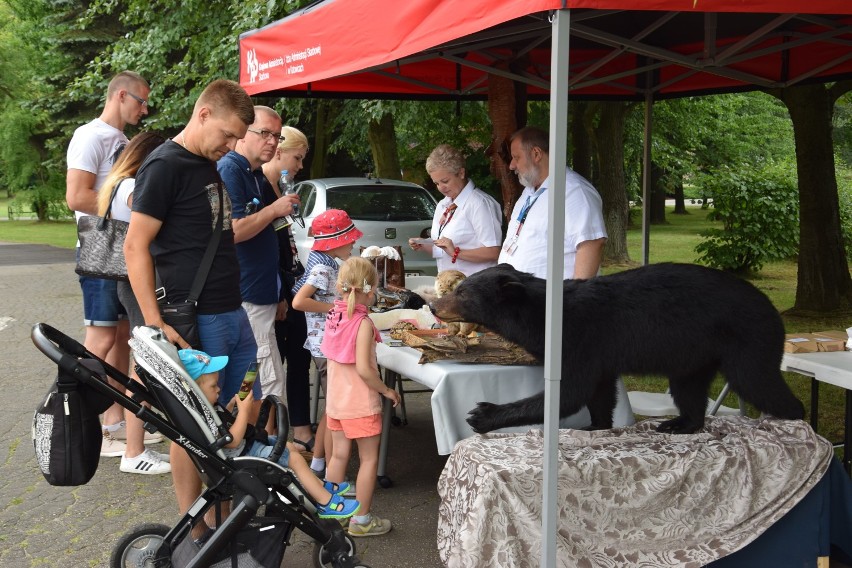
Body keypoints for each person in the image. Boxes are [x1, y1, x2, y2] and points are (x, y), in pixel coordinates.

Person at [124, 80, 293, 536]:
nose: (233, 145)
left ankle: (227, 509)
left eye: (240, 137)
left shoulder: (207, 164)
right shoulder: (164, 166)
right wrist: (155, 324)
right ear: (203, 115)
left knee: (244, 408)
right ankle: (196, 529)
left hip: (232, 310)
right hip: (196, 317)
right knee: (194, 427)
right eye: (229, 134)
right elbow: (135, 246)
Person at [66, 70, 151, 457]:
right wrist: (127, 202)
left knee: (120, 338)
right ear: (120, 95)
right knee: (98, 340)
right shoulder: (90, 136)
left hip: (122, 250)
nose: (145, 109)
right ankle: (73, 422)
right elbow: (77, 197)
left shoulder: (122, 140)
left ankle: (112, 422)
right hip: (102, 250)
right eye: (140, 101)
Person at [177, 348, 360, 520]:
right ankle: (325, 502)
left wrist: (232, 406)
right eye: (213, 386)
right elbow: (231, 441)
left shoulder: (205, 408)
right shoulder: (202, 417)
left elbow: (223, 425)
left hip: (246, 447)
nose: (218, 389)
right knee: (294, 459)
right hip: (240, 458)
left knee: (287, 446)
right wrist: (244, 412)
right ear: (195, 390)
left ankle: (319, 487)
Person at [96, 131, 170, 475]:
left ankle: (135, 444)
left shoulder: (116, 185)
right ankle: (134, 452)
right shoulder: (130, 190)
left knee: (142, 361)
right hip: (137, 283)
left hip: (126, 283)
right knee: (144, 364)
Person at [218, 106, 297, 425]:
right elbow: (234, 230)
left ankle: (252, 441)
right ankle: (252, 442)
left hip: (262, 295)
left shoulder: (252, 173)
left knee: (258, 377)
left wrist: (278, 292)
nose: (272, 142)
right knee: (260, 378)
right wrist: (275, 210)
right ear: (241, 132)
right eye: (264, 133)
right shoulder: (230, 169)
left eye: (276, 136)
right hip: (246, 295)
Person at [321, 256, 401, 537]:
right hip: (361, 403)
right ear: (371, 290)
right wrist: (386, 389)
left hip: (336, 402)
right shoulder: (363, 323)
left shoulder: (334, 315)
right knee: (368, 461)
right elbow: (366, 370)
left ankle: (333, 515)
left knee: (339, 457)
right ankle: (362, 520)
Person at [291, 209, 363, 477]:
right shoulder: (323, 267)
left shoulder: (328, 261)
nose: (354, 243)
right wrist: (337, 307)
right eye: (350, 239)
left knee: (330, 409)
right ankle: (336, 476)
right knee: (336, 414)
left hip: (327, 345)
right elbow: (299, 302)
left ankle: (319, 462)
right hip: (327, 348)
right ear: (337, 241)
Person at [260, 126, 315, 453]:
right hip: (274, 289)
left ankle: (301, 429)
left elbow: (285, 238)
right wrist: (281, 292)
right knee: (272, 366)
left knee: (299, 355)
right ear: (279, 153)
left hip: (290, 284)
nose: (299, 166)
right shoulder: (264, 188)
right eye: (297, 157)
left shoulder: (280, 188)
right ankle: (272, 436)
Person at [498, 126, 607, 280]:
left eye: (516, 157)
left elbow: (592, 243)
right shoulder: (529, 191)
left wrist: (575, 299)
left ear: (536, 154)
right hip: (527, 299)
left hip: (554, 301)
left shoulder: (573, 191)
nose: (512, 165)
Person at [409, 144, 502, 276]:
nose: (441, 188)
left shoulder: (480, 203)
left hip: (476, 287)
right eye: (436, 183)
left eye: (445, 181)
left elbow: (494, 252)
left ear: (461, 173)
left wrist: (456, 253)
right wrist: (423, 244)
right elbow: (443, 252)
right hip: (448, 285)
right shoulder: (443, 205)